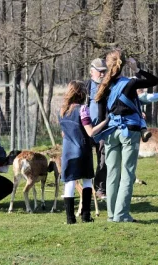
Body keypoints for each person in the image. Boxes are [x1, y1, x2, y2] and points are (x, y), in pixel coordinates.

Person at [94, 48, 158, 222]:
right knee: (127, 173)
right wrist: (137, 69)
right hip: (128, 132)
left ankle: (111, 214)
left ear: (108, 65)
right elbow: (154, 80)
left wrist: (101, 136)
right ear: (123, 65)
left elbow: (101, 116)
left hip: (110, 133)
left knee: (112, 174)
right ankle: (121, 214)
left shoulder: (103, 87)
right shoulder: (129, 84)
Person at [58, 80, 109, 224]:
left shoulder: (61, 111)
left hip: (67, 151)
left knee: (69, 183)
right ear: (81, 93)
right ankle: (86, 216)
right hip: (82, 150)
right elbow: (91, 131)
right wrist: (106, 121)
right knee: (87, 181)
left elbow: (64, 134)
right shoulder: (82, 109)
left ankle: (70, 219)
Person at [85, 58, 108, 200]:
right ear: (91, 71)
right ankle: (87, 189)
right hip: (86, 131)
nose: (102, 74)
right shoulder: (85, 86)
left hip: (103, 130)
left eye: (104, 71)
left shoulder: (108, 87)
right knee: (86, 160)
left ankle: (100, 188)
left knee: (103, 160)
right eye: (99, 72)